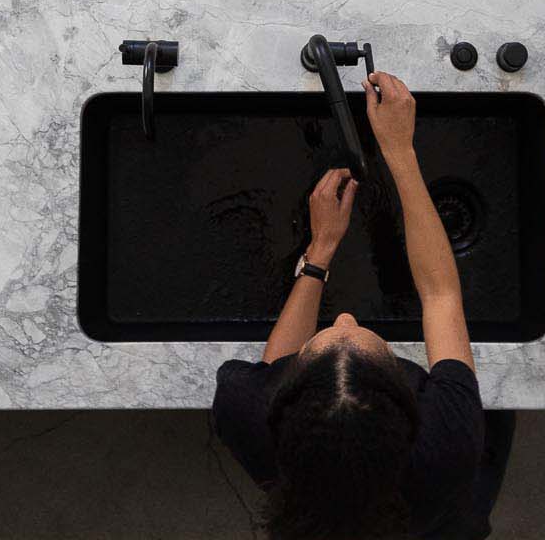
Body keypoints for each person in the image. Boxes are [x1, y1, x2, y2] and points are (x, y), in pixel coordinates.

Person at [211, 70, 515, 540]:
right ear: (411, 404)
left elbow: (275, 367)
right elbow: (440, 295)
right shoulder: (449, 440)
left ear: (282, 399)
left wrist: (321, 251)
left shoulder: (245, 410)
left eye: (327, 338)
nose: (345, 317)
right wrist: (400, 151)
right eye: (365, 343)